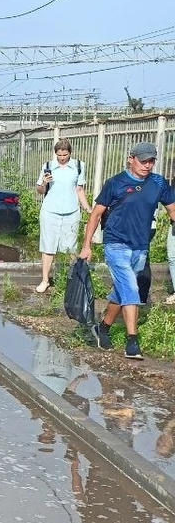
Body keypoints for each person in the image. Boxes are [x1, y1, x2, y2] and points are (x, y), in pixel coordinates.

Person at [80, 142, 175, 360]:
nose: (148, 165)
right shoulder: (115, 183)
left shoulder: (159, 183)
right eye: (143, 161)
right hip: (116, 244)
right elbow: (95, 215)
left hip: (141, 246)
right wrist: (87, 245)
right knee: (131, 288)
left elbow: (172, 209)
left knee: (121, 291)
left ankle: (102, 328)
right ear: (130, 159)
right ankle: (133, 342)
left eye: (152, 161)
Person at [35, 139, 91, 293]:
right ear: (55, 154)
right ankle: (45, 280)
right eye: (59, 155)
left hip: (71, 212)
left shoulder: (79, 166)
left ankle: (71, 281)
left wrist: (88, 208)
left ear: (70, 153)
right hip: (50, 211)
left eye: (65, 155)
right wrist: (44, 183)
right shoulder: (48, 166)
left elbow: (79, 190)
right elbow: (39, 190)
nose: (62, 158)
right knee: (48, 246)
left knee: (70, 247)